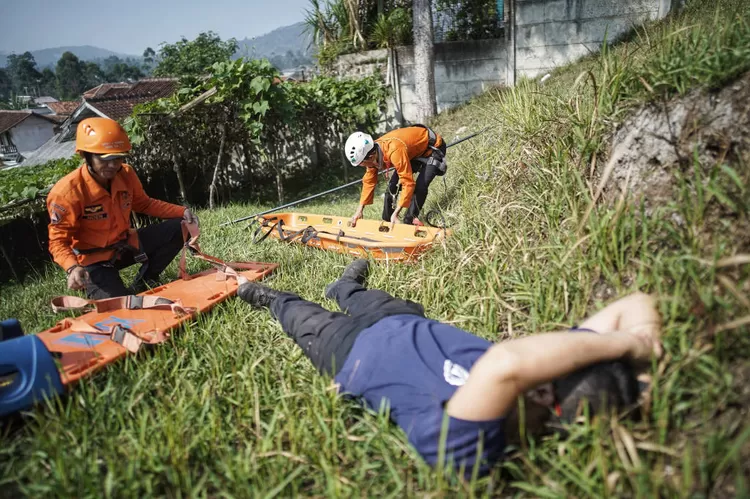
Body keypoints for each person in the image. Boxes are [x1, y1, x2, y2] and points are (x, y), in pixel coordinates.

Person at [235, 259, 662, 476]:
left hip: (350, 355)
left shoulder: (469, 446)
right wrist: (644, 376)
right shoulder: (544, 382)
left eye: (548, 379)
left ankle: (265, 296)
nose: (545, 369)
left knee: (299, 315)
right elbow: (638, 302)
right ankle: (346, 282)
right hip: (398, 319)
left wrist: (626, 344)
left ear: (547, 394)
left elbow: (506, 363)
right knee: (352, 294)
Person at [46, 117, 199, 299]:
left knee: (180, 227)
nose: (112, 165)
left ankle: (146, 280)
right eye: (105, 159)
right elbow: (58, 242)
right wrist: (72, 267)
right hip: (93, 261)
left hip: (125, 245)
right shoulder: (67, 193)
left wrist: (181, 211)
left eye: (118, 158)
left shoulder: (126, 174)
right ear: (86, 155)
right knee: (122, 306)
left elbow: (144, 203)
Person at [345, 125, 447, 227]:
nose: (362, 166)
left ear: (370, 157)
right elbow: (369, 181)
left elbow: (407, 182)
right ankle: (387, 222)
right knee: (391, 187)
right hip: (412, 152)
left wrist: (396, 212)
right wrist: (359, 210)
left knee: (420, 186)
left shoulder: (393, 149)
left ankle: (409, 221)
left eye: (361, 164)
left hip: (432, 148)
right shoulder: (372, 152)